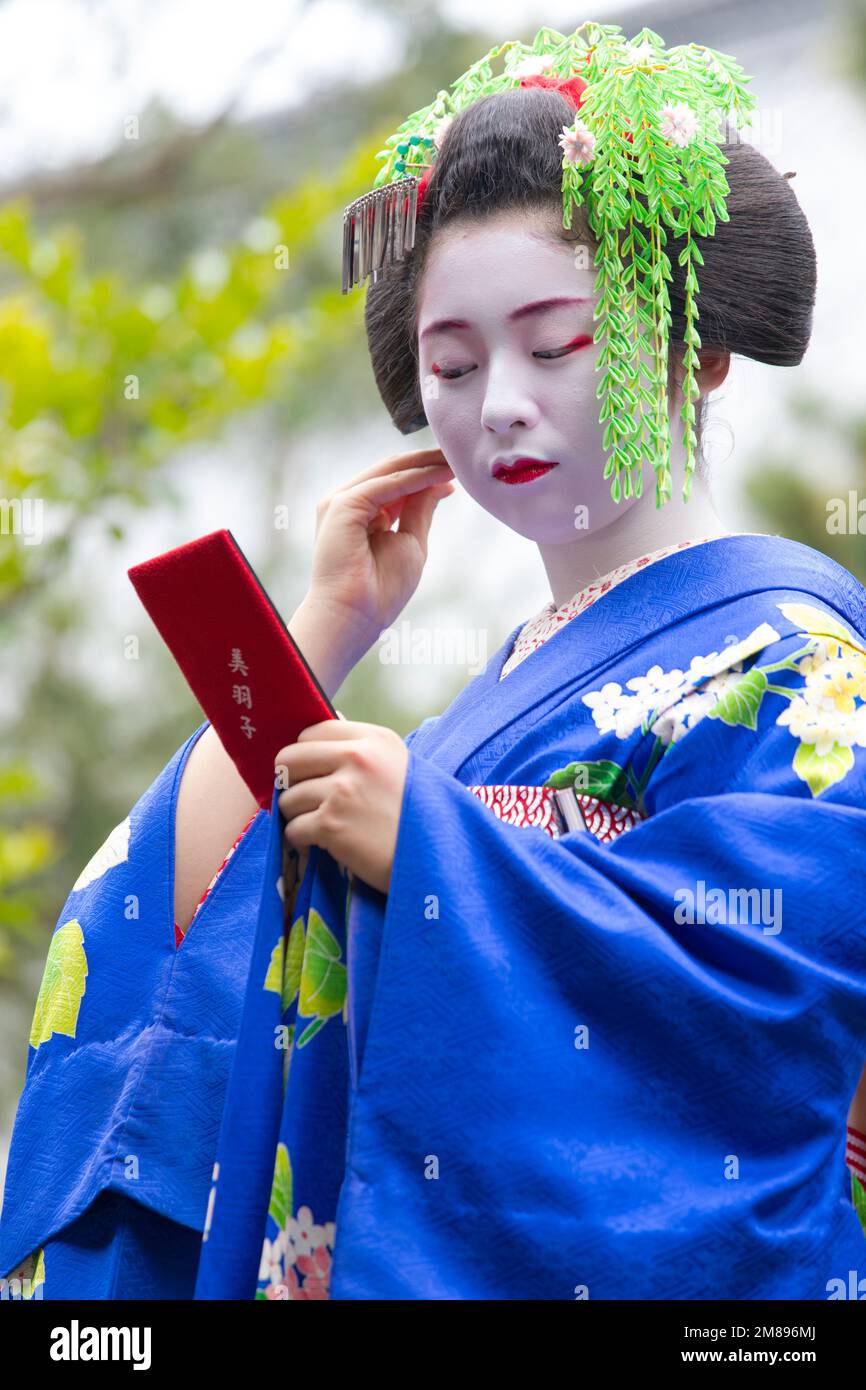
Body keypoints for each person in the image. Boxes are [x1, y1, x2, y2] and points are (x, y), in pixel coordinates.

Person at [2, 21, 865, 1302]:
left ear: (699, 349)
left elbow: (768, 1003)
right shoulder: (471, 713)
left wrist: (434, 852)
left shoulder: (798, 658)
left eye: (555, 343)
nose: (496, 401)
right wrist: (329, 623)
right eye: (449, 364)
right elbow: (163, 926)